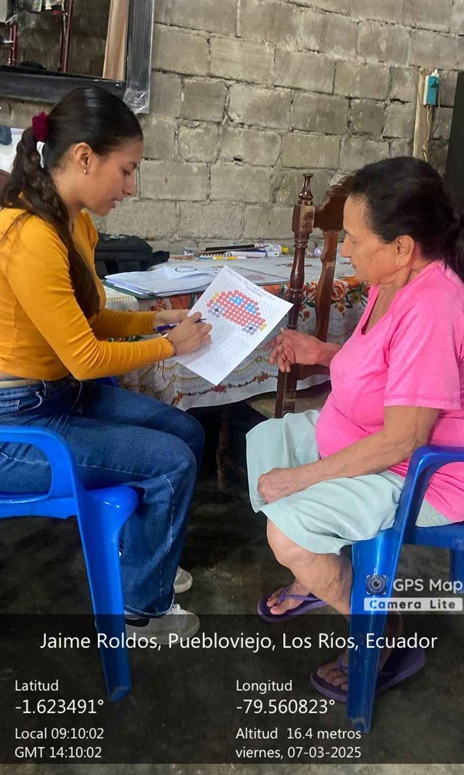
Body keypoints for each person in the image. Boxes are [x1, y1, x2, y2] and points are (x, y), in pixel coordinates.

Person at [247, 156, 464, 700]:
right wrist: (323, 353)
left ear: (402, 247)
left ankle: (382, 631)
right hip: (363, 438)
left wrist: (303, 479)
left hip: (419, 474)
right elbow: (383, 366)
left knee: (287, 532)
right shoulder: (391, 281)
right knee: (267, 442)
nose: (345, 250)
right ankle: (323, 573)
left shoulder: (433, 309)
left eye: (353, 239)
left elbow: (404, 439)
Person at [0, 86, 212, 642]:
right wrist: (171, 345)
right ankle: (142, 608)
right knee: (171, 462)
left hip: (59, 397)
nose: (131, 186)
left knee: (186, 432)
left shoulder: (75, 223)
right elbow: (86, 358)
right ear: (83, 157)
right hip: (16, 426)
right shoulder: (29, 236)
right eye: (127, 169)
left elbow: (88, 320)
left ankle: (144, 558)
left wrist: (156, 319)